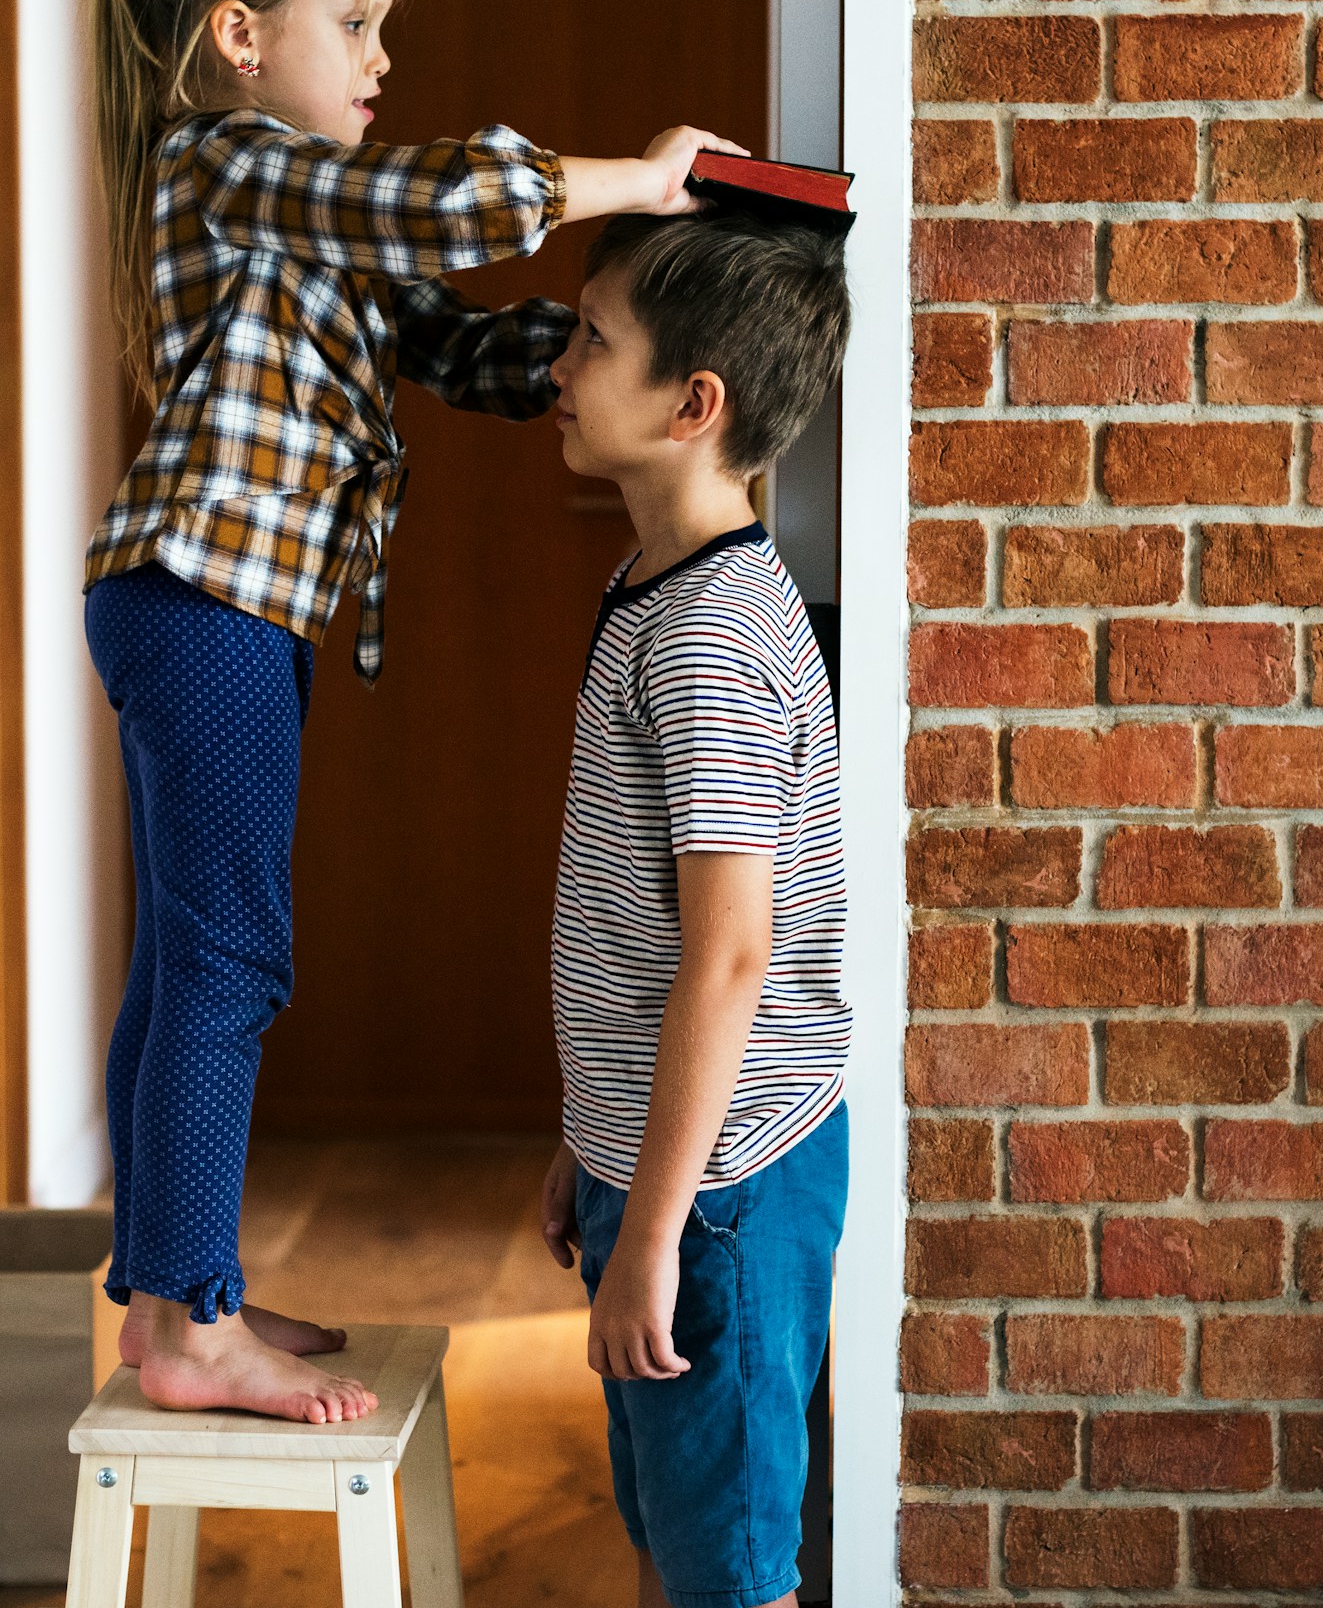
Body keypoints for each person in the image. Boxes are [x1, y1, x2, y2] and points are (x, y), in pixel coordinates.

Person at [83, 0, 739, 1424]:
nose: (383, 61)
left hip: (204, 603)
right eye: (356, 22)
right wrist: (635, 180)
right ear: (240, 37)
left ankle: (182, 1290)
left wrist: (631, 339)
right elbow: (445, 202)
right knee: (231, 956)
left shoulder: (301, 222)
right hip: (208, 598)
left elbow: (456, 337)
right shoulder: (229, 161)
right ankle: (186, 1328)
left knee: (186, 957)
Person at [537, 208, 851, 1608]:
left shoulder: (714, 638)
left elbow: (728, 959)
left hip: (718, 1195)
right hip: (668, 1168)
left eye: (592, 337)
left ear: (692, 403)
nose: (557, 360)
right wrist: (590, 1142)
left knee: (731, 1576)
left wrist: (655, 1227)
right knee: (677, 1538)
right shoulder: (664, 590)